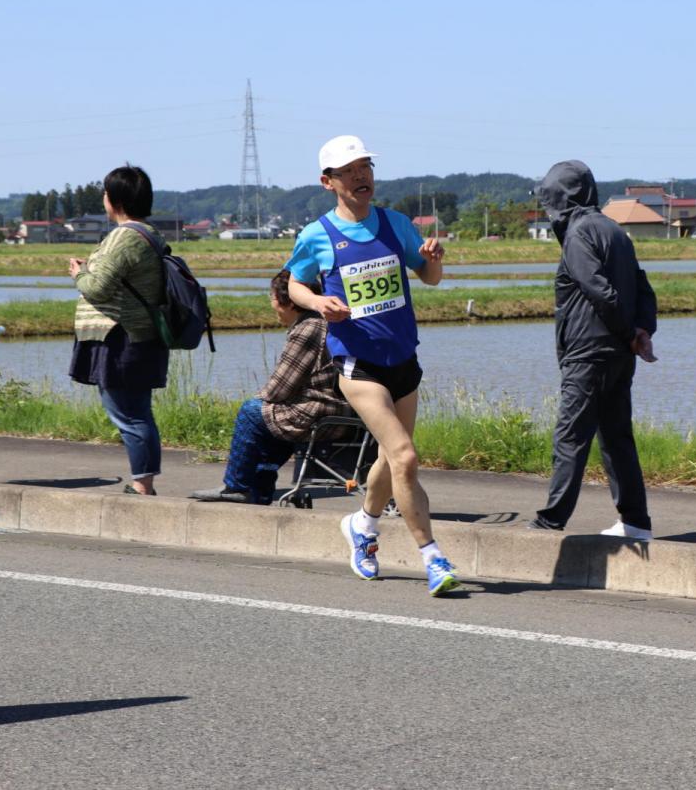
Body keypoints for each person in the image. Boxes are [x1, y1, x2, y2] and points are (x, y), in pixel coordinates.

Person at [284, 134, 460, 596]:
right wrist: (320, 302)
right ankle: (433, 557)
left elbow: (430, 278)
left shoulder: (395, 223)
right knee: (405, 456)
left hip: (403, 358)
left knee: (388, 457)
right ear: (328, 182)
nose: (362, 176)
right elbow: (294, 287)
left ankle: (362, 525)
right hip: (357, 364)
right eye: (350, 170)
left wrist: (433, 261)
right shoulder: (317, 235)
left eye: (366, 167)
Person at [527, 160, 659, 542]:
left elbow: (599, 290)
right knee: (617, 437)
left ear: (559, 196)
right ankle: (635, 522)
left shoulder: (579, 234)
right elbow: (643, 287)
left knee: (570, 437)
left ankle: (551, 521)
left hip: (588, 352)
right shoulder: (614, 230)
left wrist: (627, 331)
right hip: (618, 354)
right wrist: (640, 331)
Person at [190, 270, 349, 504]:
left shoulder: (309, 328)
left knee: (252, 412)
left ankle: (236, 485)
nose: (272, 304)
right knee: (270, 417)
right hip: (331, 409)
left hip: (320, 411)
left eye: (272, 298)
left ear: (289, 302)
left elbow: (279, 388)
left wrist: (259, 400)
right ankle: (260, 490)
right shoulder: (321, 323)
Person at [68, 165, 169, 496]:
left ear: (115, 199)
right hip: (135, 336)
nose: (103, 198)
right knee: (135, 411)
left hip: (121, 337)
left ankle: (142, 484)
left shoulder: (124, 237)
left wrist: (79, 273)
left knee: (129, 413)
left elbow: (98, 288)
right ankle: (143, 481)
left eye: (105, 193)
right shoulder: (147, 233)